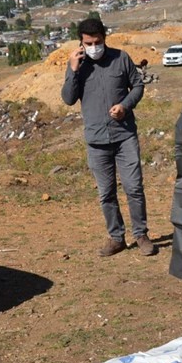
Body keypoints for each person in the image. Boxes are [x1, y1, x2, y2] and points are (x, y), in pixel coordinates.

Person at [61, 17, 156, 257]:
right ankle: (116, 238)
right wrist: (72, 70)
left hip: (124, 136)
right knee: (106, 193)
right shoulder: (77, 65)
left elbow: (137, 86)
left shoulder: (121, 58)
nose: (94, 47)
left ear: (105, 38)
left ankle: (141, 235)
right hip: (96, 141)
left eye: (98, 42)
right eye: (88, 43)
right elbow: (68, 99)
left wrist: (125, 105)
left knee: (134, 187)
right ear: (81, 43)